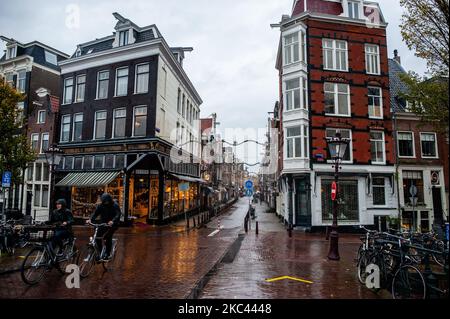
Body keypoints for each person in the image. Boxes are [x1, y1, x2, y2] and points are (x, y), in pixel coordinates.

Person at [87, 193, 121, 260]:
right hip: (103, 223)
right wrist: (90, 219)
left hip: (113, 224)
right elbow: (95, 213)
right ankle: (100, 252)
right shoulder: (100, 205)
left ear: (109, 200)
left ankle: (107, 254)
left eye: (107, 201)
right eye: (104, 201)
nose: (106, 202)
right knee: (97, 237)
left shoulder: (115, 205)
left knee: (107, 237)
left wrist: (112, 221)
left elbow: (118, 214)